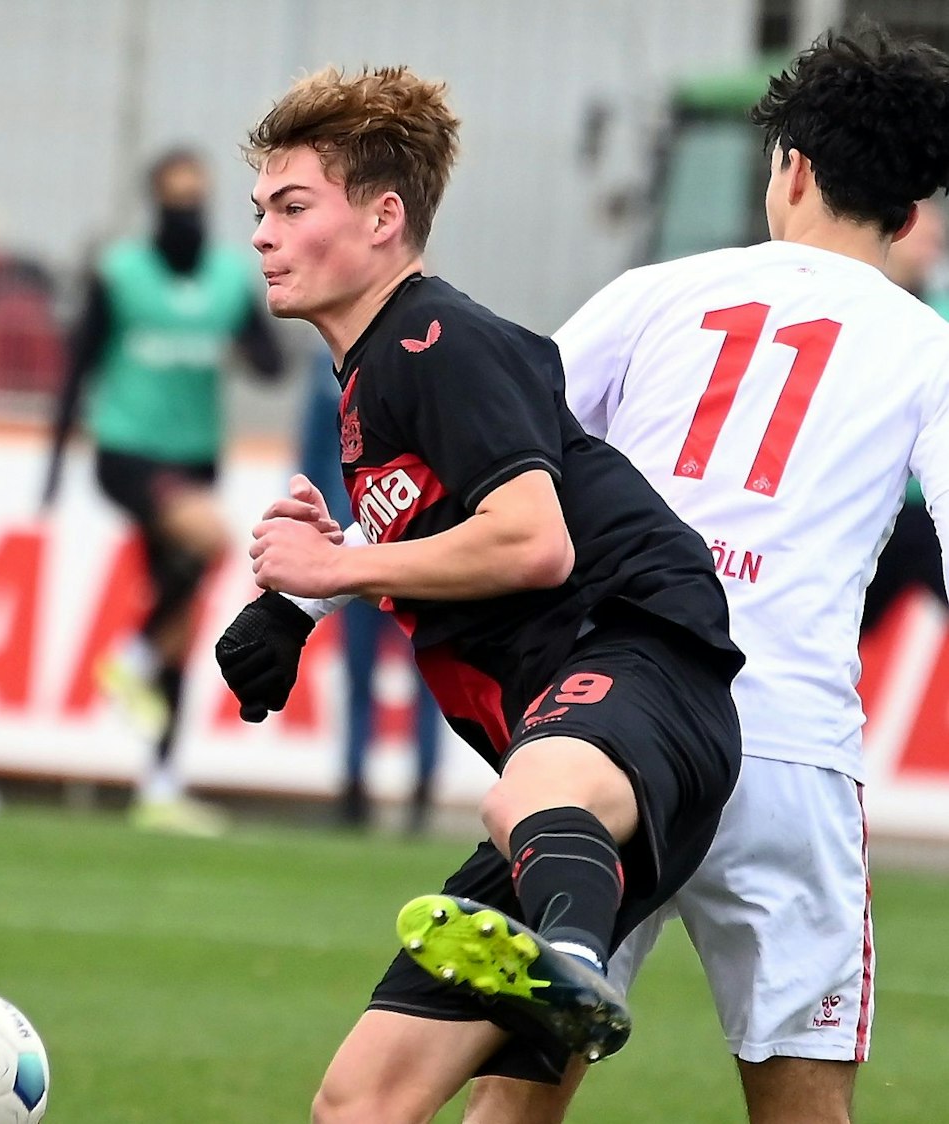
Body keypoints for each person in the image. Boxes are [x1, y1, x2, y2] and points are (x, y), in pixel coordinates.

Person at [210, 65, 745, 1121]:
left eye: (292, 206)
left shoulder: (437, 338)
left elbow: (534, 540)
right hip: (569, 793)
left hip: (641, 663)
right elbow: (443, 519)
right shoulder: (378, 373)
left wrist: (337, 571)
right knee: (360, 1101)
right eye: (260, 211)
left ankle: (573, 962)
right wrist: (301, 604)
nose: (263, 235)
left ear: (383, 216)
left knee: (522, 796)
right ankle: (566, 961)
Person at [465, 31, 949, 1124]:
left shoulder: (653, 294)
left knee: (517, 1094)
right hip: (790, 753)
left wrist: (314, 586)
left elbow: (498, 455)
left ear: (790, 167)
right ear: (913, 215)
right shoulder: (926, 349)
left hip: (627, 729)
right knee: (804, 1108)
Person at [42, 147, 286, 836]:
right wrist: (54, 468)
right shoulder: (120, 274)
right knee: (213, 540)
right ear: (155, 203)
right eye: (175, 200)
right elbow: (78, 368)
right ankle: (130, 659)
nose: (187, 213)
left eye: (197, 199)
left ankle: (159, 781)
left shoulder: (229, 280)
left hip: (196, 457)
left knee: (181, 623)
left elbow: (268, 361)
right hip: (129, 452)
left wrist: (259, 337)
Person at [299, 351, 443, 832]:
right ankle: (359, 787)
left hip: (405, 547)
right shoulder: (331, 365)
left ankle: (416, 789)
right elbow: (312, 456)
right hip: (360, 546)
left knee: (426, 673)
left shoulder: (430, 357)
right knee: (369, 672)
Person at [861, 196, 948, 635]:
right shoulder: (856, 308)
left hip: (926, 507)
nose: (934, 252)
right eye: (926, 240)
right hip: (869, 501)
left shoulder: (941, 314)